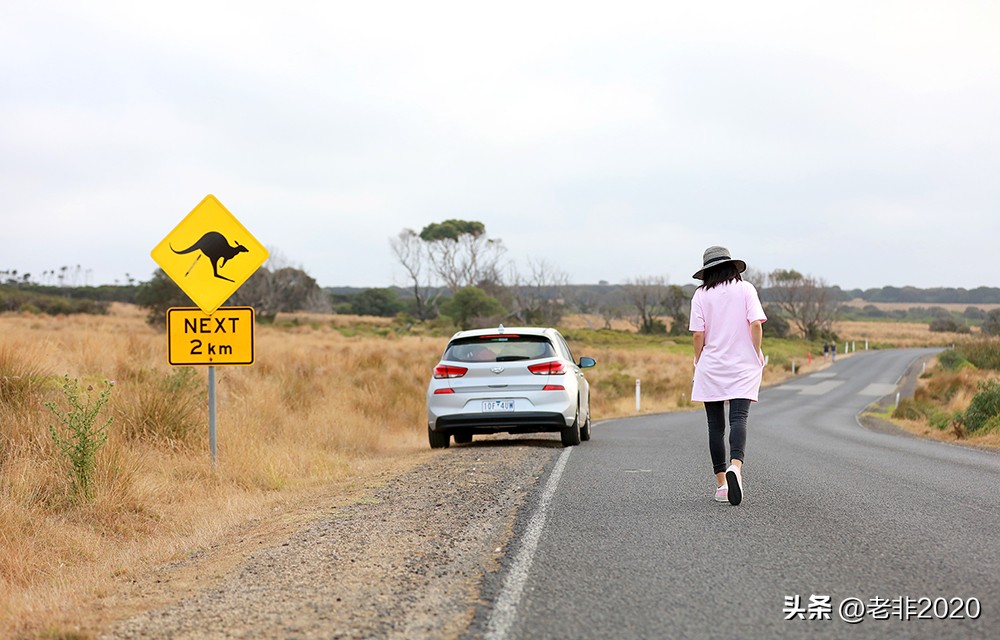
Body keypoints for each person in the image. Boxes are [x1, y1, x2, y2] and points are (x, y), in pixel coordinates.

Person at [689, 246, 767, 506]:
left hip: (711, 366)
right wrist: (755, 353)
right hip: (743, 366)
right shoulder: (746, 289)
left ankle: (722, 484)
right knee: (739, 418)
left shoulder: (700, 295)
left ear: (707, 272)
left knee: (715, 427)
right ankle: (736, 466)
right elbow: (755, 324)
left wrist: (699, 360)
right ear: (732, 267)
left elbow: (698, 334)